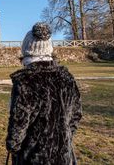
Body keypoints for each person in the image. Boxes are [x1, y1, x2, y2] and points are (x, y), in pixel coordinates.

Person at [6, 22, 82, 165]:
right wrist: (65, 137)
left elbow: (19, 122)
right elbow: (76, 115)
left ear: (26, 49)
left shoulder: (25, 80)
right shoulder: (67, 77)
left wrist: (13, 147)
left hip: (33, 157)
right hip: (63, 156)